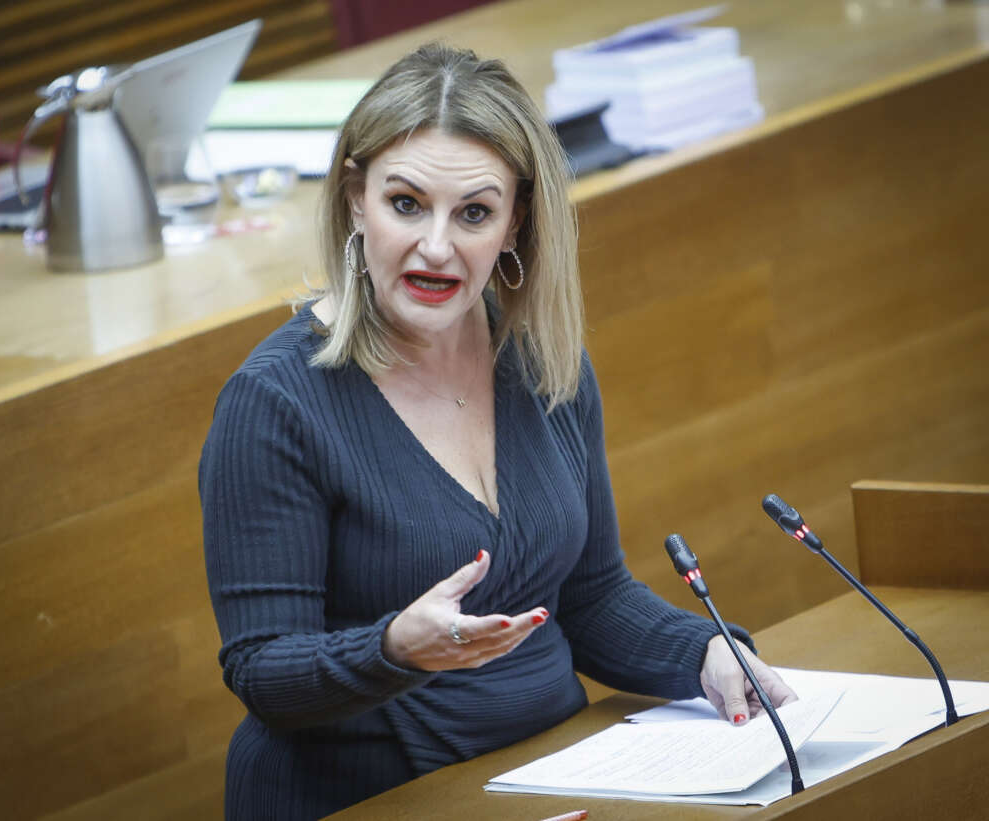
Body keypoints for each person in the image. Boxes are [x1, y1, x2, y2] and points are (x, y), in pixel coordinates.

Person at [199, 43, 796, 820]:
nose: (437, 246)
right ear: (355, 198)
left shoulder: (543, 359)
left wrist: (706, 653)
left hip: (549, 781)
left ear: (516, 222)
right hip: (369, 796)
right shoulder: (275, 404)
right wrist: (391, 649)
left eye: (474, 212)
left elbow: (590, 596)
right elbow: (262, 670)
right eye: (405, 203)